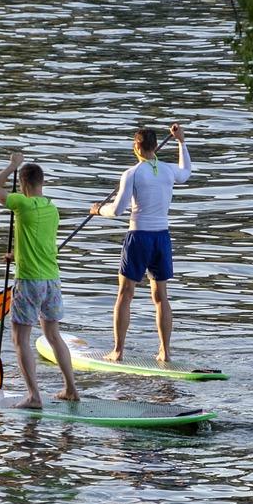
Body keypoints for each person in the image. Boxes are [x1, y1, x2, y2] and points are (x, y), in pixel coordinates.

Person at [0, 154, 80, 410]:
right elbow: (40, 241)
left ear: (23, 185)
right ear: (42, 183)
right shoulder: (52, 208)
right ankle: (71, 389)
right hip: (52, 280)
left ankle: (34, 396)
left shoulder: (21, 204)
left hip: (28, 281)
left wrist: (11, 166)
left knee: (20, 339)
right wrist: (16, 254)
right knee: (53, 335)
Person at [92, 122, 190, 363]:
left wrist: (97, 210)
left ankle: (118, 351)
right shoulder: (168, 170)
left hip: (139, 238)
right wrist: (181, 141)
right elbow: (186, 173)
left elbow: (117, 210)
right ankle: (165, 352)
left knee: (125, 294)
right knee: (161, 297)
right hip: (162, 238)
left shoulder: (132, 173)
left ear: (136, 148)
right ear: (156, 146)